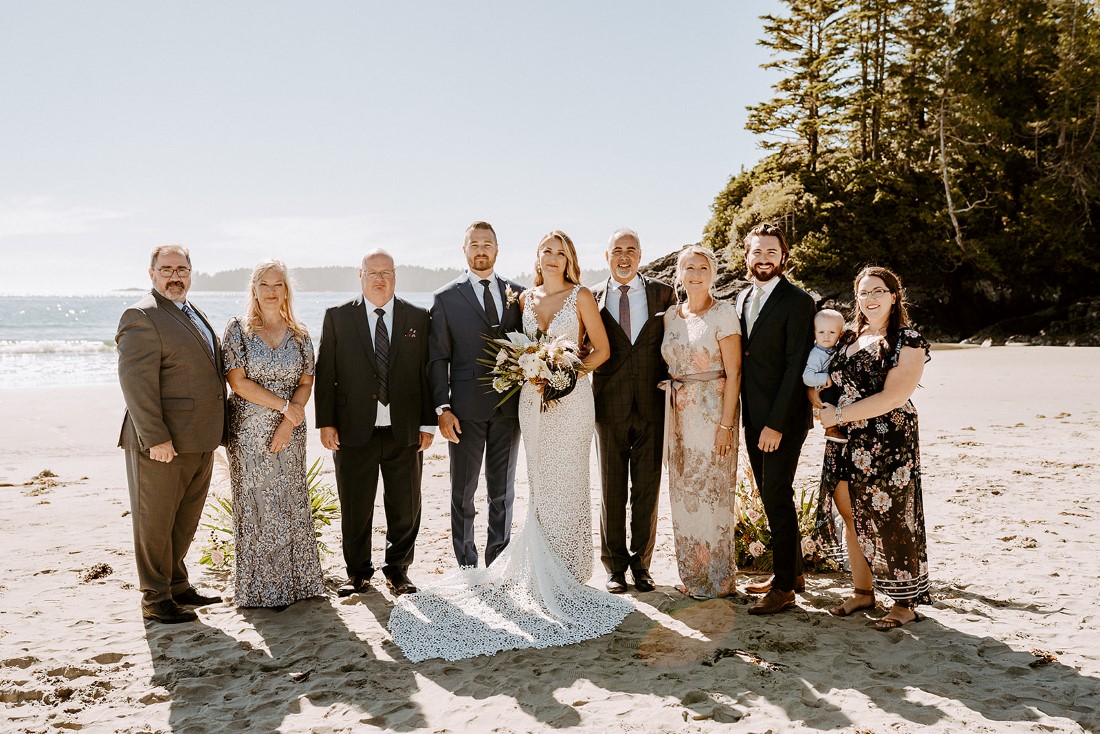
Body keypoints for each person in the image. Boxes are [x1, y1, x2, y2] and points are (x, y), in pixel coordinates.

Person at [388, 230, 632, 662]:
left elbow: (601, 350)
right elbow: (453, 355)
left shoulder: (562, 297)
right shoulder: (521, 299)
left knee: (562, 485)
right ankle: (474, 569)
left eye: (561, 252)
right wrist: (442, 406)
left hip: (566, 402)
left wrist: (566, 373)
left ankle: (567, 571)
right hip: (523, 405)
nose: (553, 257)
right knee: (524, 487)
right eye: (547, 251)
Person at [815, 266, 932, 629]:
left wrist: (841, 413)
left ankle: (903, 602)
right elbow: (819, 372)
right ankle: (862, 592)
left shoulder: (907, 340)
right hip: (844, 438)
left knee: (892, 517)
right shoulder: (849, 336)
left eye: (878, 291)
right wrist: (821, 408)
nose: (870, 299)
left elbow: (895, 396)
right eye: (863, 293)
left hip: (887, 437)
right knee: (851, 512)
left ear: (894, 296)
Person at [314, 250, 434, 598]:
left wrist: (427, 422)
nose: (379, 279)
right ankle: (358, 574)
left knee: (406, 506)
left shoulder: (417, 316)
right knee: (355, 506)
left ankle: (398, 571)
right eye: (372, 273)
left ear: (395, 275)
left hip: (405, 429)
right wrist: (326, 423)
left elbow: (427, 374)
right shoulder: (337, 317)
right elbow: (327, 375)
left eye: (386, 272)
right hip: (354, 430)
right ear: (360, 275)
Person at [116, 244, 226, 624]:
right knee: (155, 521)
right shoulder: (141, 315)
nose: (175, 275)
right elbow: (135, 383)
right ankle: (155, 597)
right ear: (152, 274)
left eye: (181, 268)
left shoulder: (192, 312)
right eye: (167, 269)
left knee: (184, 520)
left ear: (191, 273)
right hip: (162, 444)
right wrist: (156, 438)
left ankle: (178, 585)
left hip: (200, 439)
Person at [222, 260, 325, 608]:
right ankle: (261, 591)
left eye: (277, 284)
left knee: (290, 502)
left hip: (291, 433)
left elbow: (306, 381)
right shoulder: (237, 330)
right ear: (254, 289)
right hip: (249, 434)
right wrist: (283, 408)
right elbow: (238, 382)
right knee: (258, 506)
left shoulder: (300, 334)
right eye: (264, 284)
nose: (270, 291)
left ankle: (299, 586)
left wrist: (288, 421)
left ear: (286, 290)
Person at [427, 221, 525, 568]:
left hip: (509, 409)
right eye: (474, 245)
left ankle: (498, 561)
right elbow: (438, 358)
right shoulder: (445, 298)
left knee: (502, 492)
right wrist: (443, 408)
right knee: (463, 492)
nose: (481, 250)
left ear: (497, 250)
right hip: (465, 409)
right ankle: (466, 564)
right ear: (464, 250)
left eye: (487, 244)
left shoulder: (519, 294)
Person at [736, 223, 816, 615]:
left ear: (783, 257)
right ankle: (793, 571)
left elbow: (795, 366)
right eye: (757, 252)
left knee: (776, 496)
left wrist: (776, 424)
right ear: (746, 256)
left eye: (771, 252)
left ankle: (784, 588)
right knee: (772, 496)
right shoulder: (741, 297)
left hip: (780, 419)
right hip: (751, 414)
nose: (764, 258)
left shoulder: (799, 302)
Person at [592, 229, 676, 594]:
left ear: (641, 255)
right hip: (607, 405)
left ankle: (642, 565)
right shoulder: (590, 297)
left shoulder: (664, 293)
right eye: (617, 251)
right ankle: (614, 567)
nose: (624, 257)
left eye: (632, 250)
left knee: (647, 488)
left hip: (653, 403)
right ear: (606, 255)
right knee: (611, 488)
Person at [660, 246, 742, 599]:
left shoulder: (723, 313)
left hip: (713, 416)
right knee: (684, 495)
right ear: (679, 273)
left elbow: (735, 372)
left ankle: (719, 579)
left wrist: (726, 425)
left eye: (702, 268)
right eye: (688, 268)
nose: (695, 274)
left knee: (713, 496)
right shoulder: (670, 317)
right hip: (678, 416)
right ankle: (693, 575)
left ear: (713, 273)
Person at [803, 308, 848, 443]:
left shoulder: (836, 349)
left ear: (840, 334)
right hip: (824, 389)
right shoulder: (816, 355)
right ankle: (830, 428)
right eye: (821, 332)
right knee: (829, 398)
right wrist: (825, 378)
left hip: (836, 388)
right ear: (814, 333)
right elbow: (807, 377)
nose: (826, 336)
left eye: (832, 332)